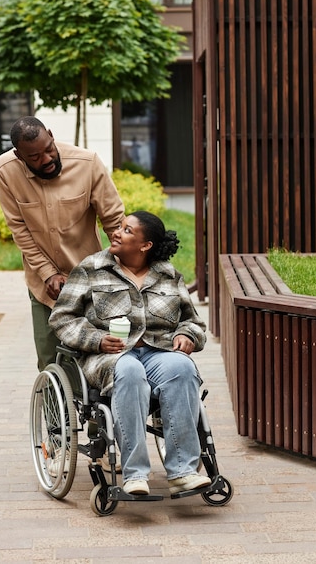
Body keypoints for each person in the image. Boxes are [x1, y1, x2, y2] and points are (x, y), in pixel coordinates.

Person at [49, 210, 211, 496]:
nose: (116, 232)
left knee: (183, 368)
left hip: (158, 351)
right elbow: (62, 318)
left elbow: (193, 321)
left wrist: (187, 335)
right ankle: (135, 474)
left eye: (126, 230)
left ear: (145, 245)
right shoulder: (91, 269)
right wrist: (97, 339)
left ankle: (184, 471)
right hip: (107, 356)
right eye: (120, 227)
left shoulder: (168, 275)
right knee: (130, 370)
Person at [0, 116, 124, 372]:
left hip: (91, 279)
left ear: (51, 136)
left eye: (48, 149)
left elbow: (114, 222)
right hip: (45, 288)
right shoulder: (6, 170)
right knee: (50, 361)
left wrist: (129, 269)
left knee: (98, 356)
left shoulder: (87, 163)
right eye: (34, 157)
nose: (46, 159)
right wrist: (48, 273)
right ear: (19, 156)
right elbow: (19, 229)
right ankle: (58, 412)